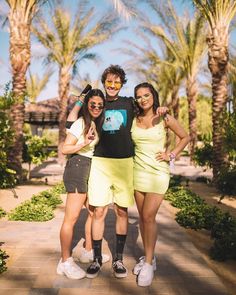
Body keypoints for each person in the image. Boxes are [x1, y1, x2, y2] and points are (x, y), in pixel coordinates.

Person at [67, 65, 168, 280]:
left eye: (117, 82)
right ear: (104, 83)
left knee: (122, 212)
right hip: (101, 164)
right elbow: (72, 119)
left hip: (125, 164)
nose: (112, 86)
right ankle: (95, 258)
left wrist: (162, 108)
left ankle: (118, 259)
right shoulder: (97, 103)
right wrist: (78, 100)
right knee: (99, 212)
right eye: (109, 82)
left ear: (122, 84)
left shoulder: (130, 103)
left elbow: (149, 107)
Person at [131, 82, 190, 287]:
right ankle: (151, 257)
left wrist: (171, 155)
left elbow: (185, 137)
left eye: (146, 95)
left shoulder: (164, 117)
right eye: (139, 96)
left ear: (153, 96)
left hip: (158, 173)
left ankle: (148, 263)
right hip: (138, 172)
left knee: (149, 216)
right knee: (142, 218)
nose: (143, 99)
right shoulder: (133, 118)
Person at [56, 89, 105, 280]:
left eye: (100, 105)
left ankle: (87, 250)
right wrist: (83, 143)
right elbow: (65, 148)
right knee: (72, 217)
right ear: (87, 104)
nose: (96, 108)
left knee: (93, 211)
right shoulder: (81, 122)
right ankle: (65, 261)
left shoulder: (95, 123)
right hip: (78, 166)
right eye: (92, 104)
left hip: (90, 167)